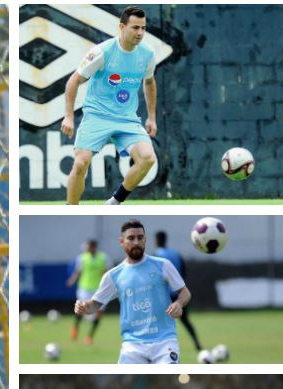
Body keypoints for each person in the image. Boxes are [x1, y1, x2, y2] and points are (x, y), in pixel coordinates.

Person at [61, 5, 158, 205]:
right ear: (122, 27)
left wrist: (151, 117)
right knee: (80, 164)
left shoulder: (147, 54)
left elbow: (149, 82)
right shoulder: (102, 52)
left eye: (143, 28)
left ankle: (114, 203)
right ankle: (71, 208)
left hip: (127, 119)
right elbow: (73, 81)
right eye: (135, 28)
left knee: (148, 158)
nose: (140, 33)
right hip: (97, 116)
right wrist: (69, 116)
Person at [74, 220, 191, 364]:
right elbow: (95, 305)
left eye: (140, 238)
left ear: (145, 240)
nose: (136, 242)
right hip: (132, 346)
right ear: (121, 241)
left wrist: (179, 303)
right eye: (131, 238)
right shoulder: (113, 276)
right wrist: (84, 306)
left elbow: (185, 292)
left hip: (165, 342)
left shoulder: (163, 265)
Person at [154, 231, 203, 352]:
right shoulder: (176, 254)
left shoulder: (156, 256)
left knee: (159, 323)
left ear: (156, 240)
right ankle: (197, 343)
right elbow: (184, 273)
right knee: (185, 320)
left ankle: (159, 349)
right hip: (180, 294)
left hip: (165, 296)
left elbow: (155, 277)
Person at [66, 240, 109, 344]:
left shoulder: (103, 257)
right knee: (81, 309)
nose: (87, 249)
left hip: (98, 289)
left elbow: (106, 272)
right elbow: (78, 271)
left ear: (94, 247)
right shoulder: (82, 258)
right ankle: (75, 327)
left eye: (88, 247)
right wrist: (72, 280)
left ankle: (89, 336)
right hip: (84, 288)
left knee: (99, 313)